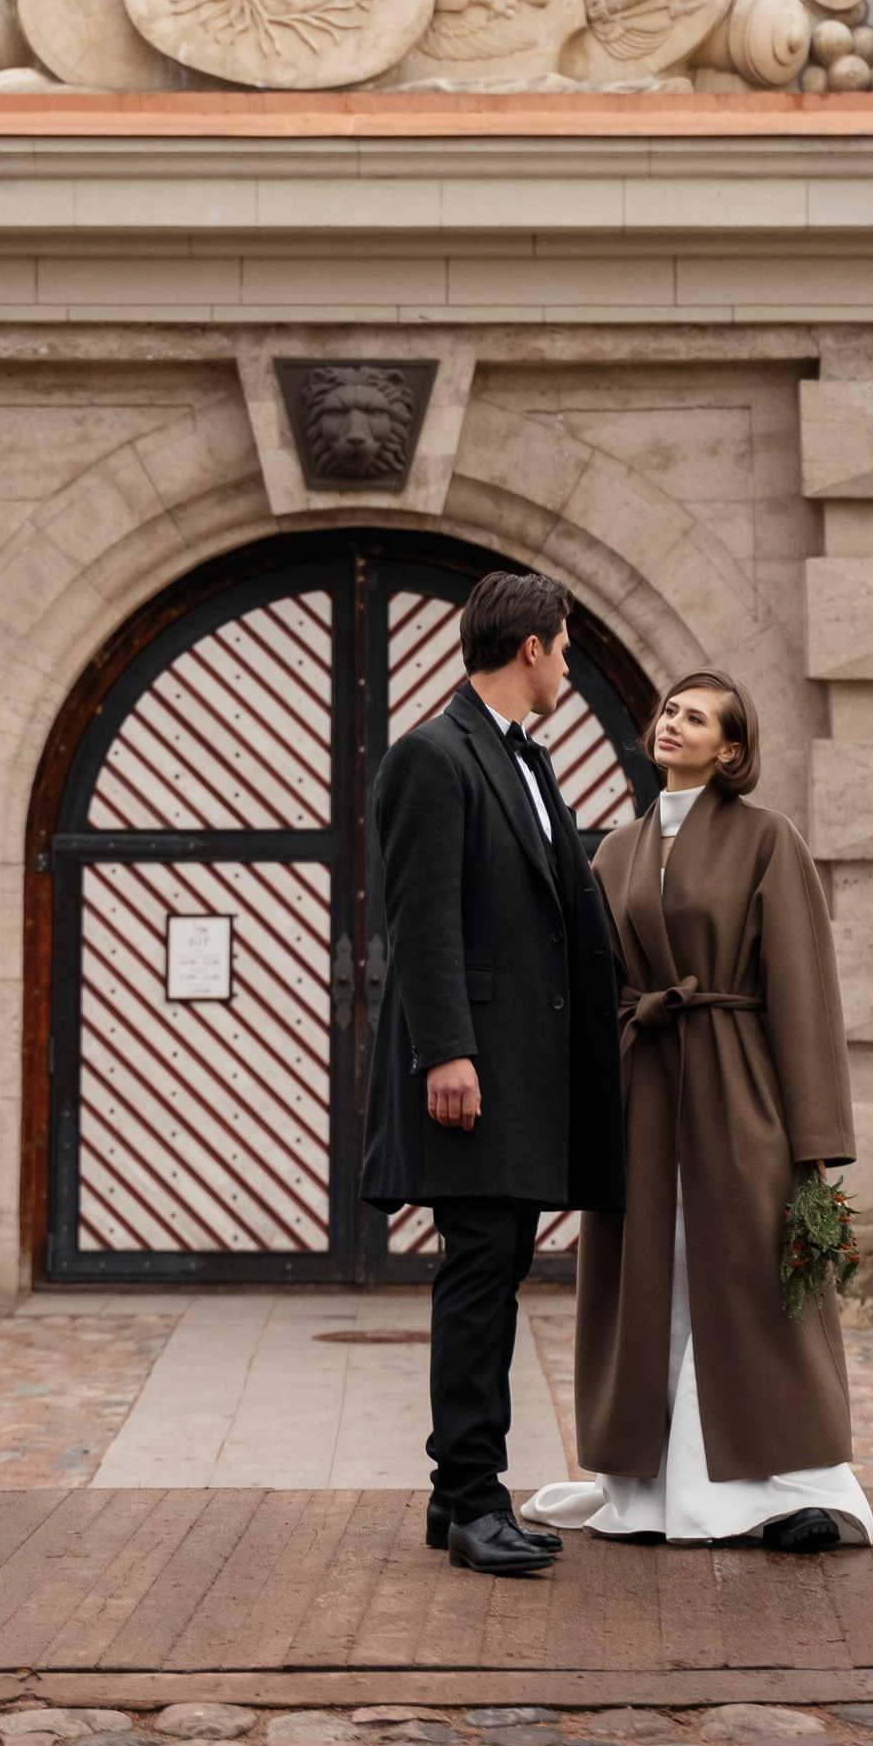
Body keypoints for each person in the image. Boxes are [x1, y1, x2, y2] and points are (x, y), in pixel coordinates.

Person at [527, 666, 873, 1552]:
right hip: (644, 1091)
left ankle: (791, 1487)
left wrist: (816, 1139)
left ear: (731, 750)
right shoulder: (614, 849)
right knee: (650, 1283)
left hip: (739, 1086)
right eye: (670, 710)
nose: (673, 723)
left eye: (697, 718)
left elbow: (802, 987)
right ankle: (648, 1490)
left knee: (753, 1287)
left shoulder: (768, 840)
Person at [362, 567, 625, 1576]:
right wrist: (448, 1051)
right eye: (563, 647)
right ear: (530, 648)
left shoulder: (528, 762)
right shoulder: (434, 754)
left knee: (494, 1272)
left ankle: (457, 1497)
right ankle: (471, 1498)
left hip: (525, 1066)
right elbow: (419, 917)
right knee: (478, 1280)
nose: (567, 665)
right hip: (471, 1070)